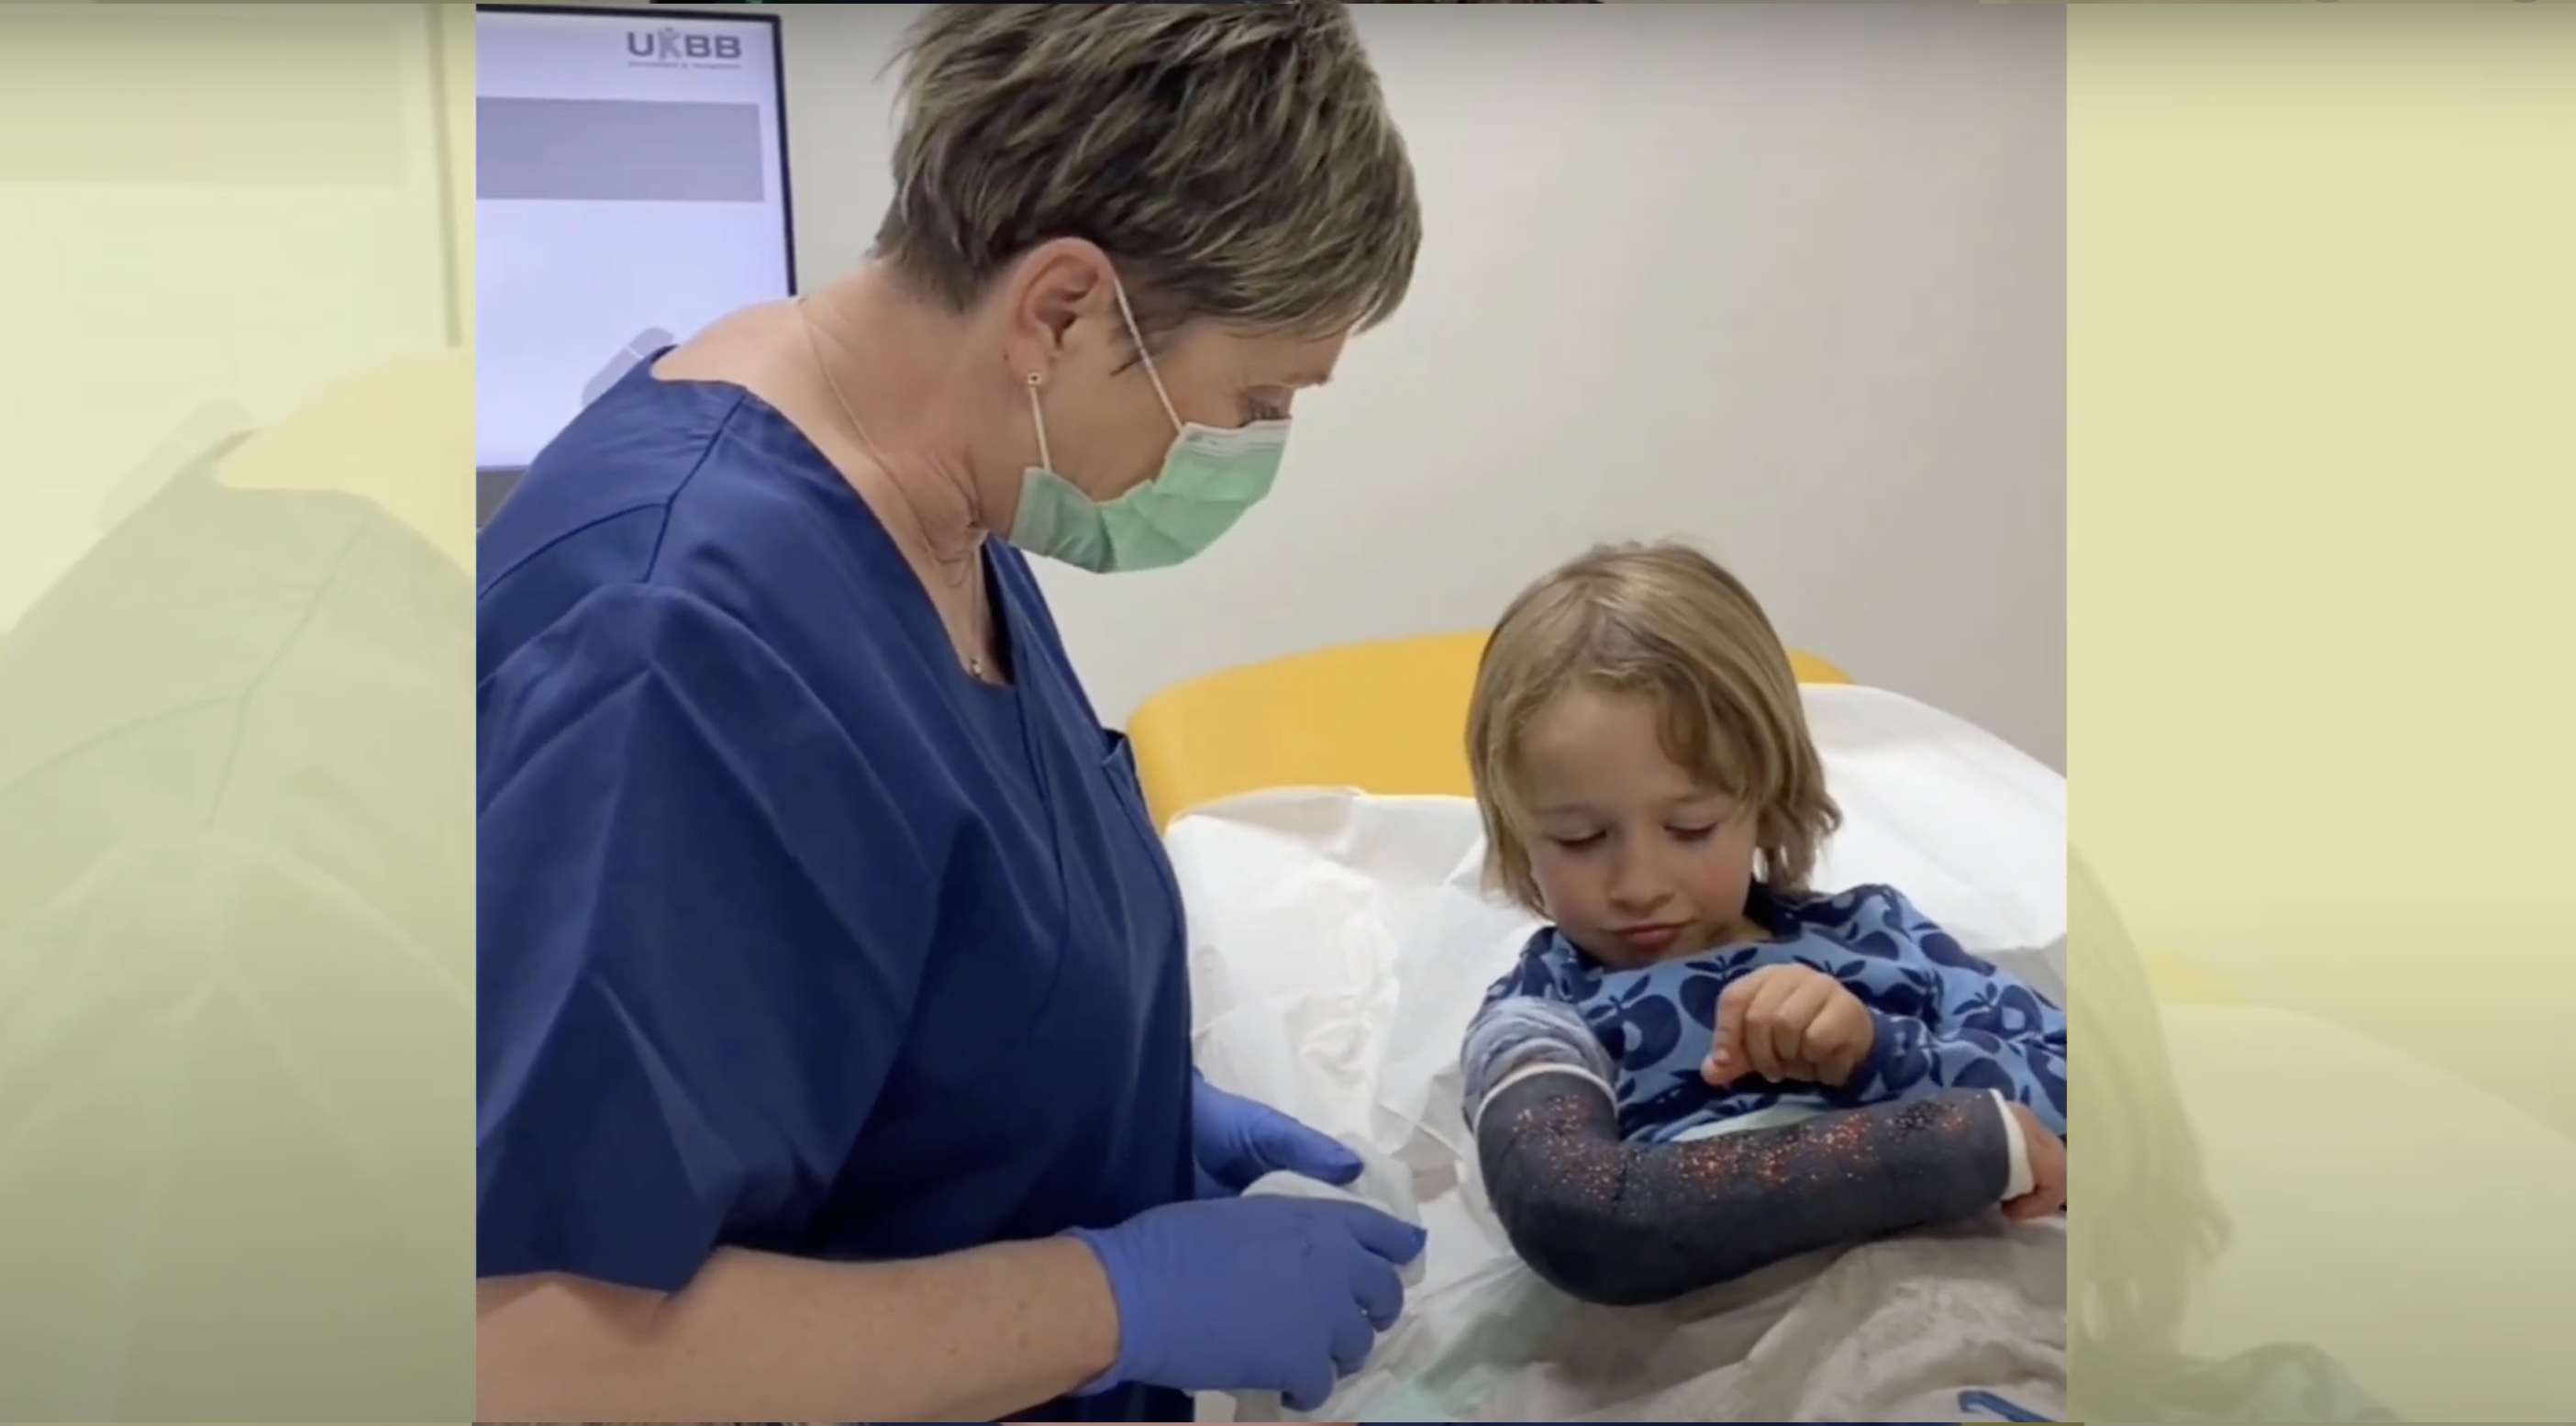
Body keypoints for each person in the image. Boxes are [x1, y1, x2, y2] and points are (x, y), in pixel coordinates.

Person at [472, 6, 1428, 1421]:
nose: (1248, 451)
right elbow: (529, 1356)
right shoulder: (683, 645)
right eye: (1255, 396)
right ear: (1060, 310)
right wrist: (1120, 1297)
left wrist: (1107, 1118)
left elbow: (928, 936)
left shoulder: (935, 506)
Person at [1453, 540, 2069, 1307]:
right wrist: (1953, 1147)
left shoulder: (1878, 940)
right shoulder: (1539, 1015)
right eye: (1579, 840)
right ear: (1518, 838)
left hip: (1981, 1314)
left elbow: (2100, 1120)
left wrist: (1879, 1054)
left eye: (1691, 827)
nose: (1639, 885)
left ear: (1765, 801)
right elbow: (1571, 1207)